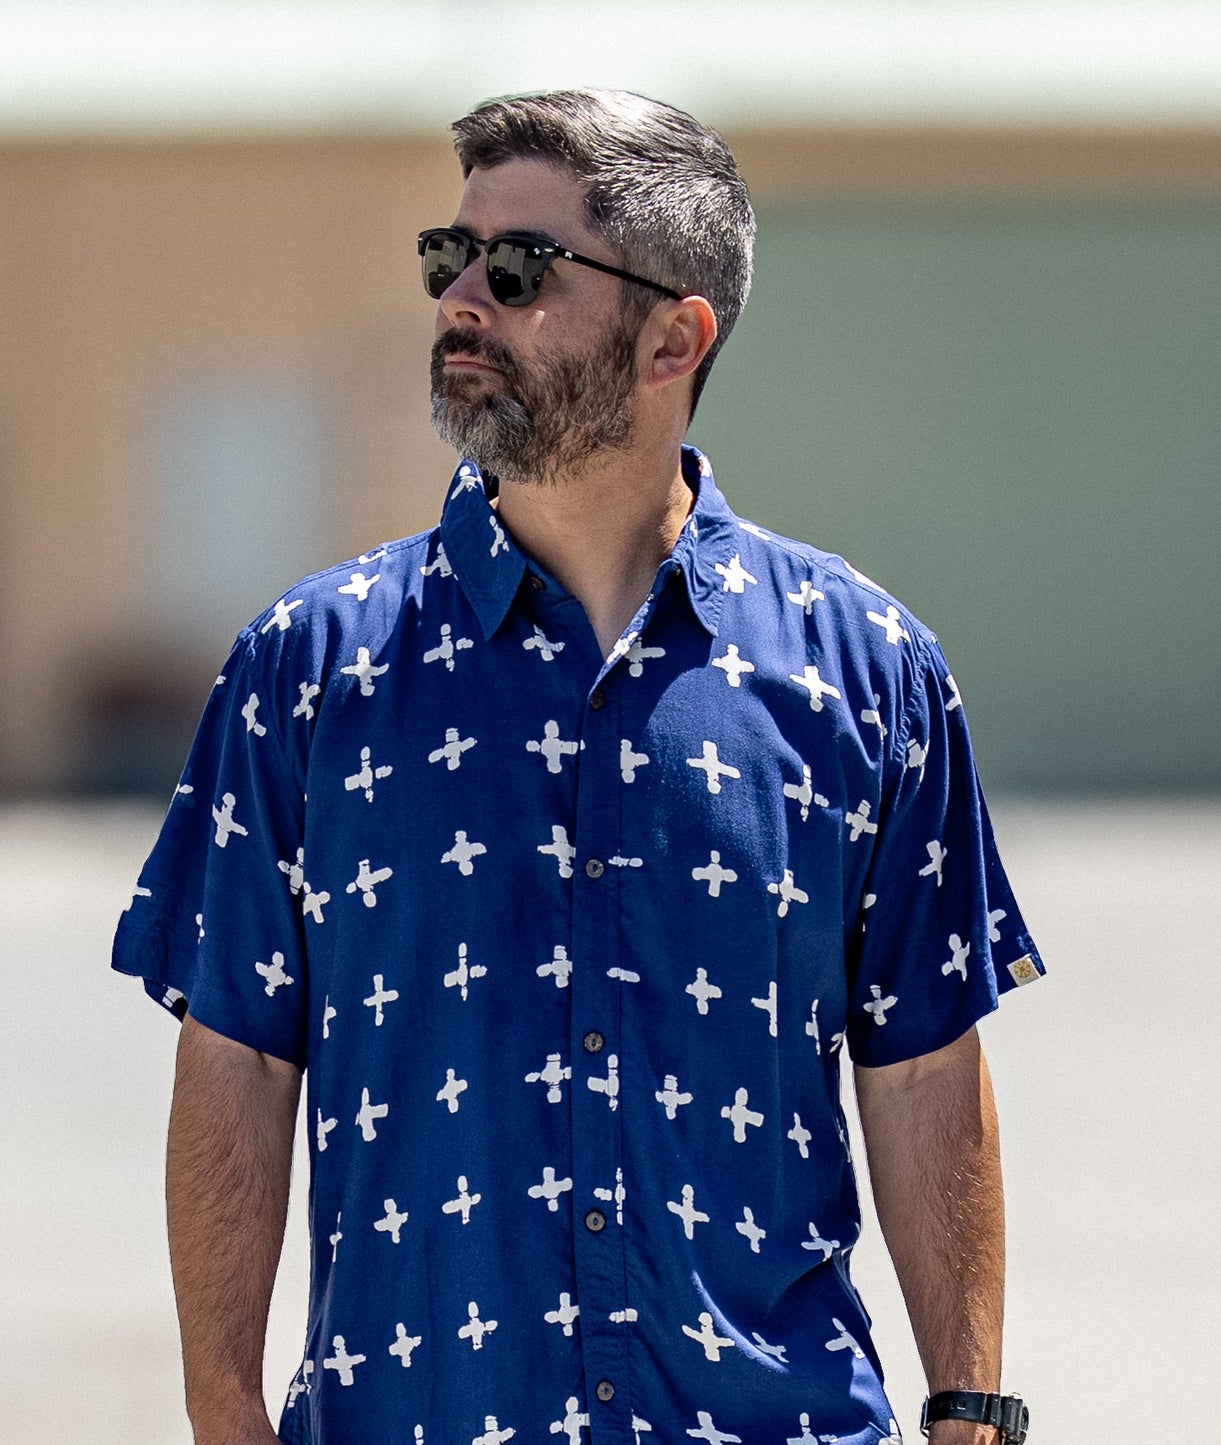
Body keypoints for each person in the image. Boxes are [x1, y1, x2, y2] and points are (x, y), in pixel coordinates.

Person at [113, 88, 1043, 1445]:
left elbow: (919, 1065)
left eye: (521, 265)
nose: (462, 298)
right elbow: (240, 1062)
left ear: (674, 335)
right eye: (450, 255)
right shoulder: (308, 671)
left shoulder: (865, 668)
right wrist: (222, 1412)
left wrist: (966, 1406)